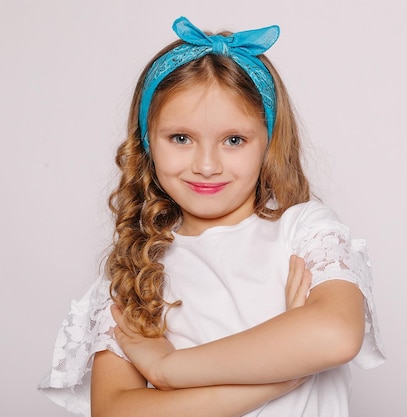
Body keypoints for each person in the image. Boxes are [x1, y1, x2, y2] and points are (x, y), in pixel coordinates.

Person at [38, 16, 385, 417]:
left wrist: (169, 368)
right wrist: (276, 379)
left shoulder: (305, 232)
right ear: (148, 142)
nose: (206, 165)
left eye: (233, 140)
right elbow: (114, 411)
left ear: (268, 142)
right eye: (181, 138)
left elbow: (335, 335)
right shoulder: (136, 271)